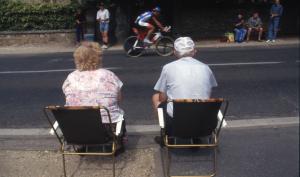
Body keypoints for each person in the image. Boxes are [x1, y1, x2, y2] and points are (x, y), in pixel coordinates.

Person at [62, 42, 126, 149]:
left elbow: (68, 102)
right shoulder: (109, 75)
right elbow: (119, 99)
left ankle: (82, 145)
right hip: (108, 130)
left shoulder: (70, 78)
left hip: (77, 130)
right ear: (97, 58)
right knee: (119, 113)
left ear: (77, 59)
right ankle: (117, 143)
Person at [152, 37, 218, 136]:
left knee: (156, 97)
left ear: (174, 52)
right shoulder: (205, 67)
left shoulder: (168, 68)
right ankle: (195, 135)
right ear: (194, 51)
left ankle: (166, 132)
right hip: (203, 121)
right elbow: (208, 93)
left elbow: (162, 98)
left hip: (177, 122)